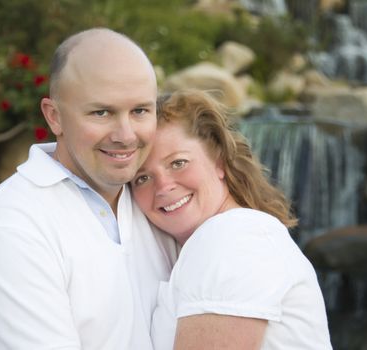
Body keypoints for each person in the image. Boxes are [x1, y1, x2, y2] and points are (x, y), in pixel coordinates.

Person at [0, 28, 177, 349]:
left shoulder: (160, 202)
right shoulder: (10, 228)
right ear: (54, 117)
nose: (126, 135)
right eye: (101, 112)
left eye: (140, 111)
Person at [131, 89, 333, 349]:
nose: (162, 186)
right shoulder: (233, 235)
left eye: (178, 163)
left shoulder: (231, 236)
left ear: (220, 162)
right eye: (142, 178)